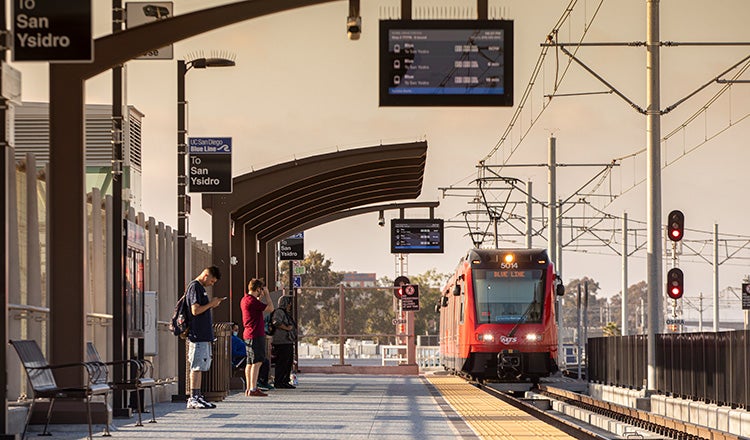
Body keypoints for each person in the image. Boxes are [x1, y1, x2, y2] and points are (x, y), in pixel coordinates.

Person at [185, 265, 226, 409]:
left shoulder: (200, 288)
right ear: (206, 275)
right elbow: (195, 310)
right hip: (197, 335)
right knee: (196, 366)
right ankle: (193, 397)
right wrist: (211, 304)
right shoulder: (195, 287)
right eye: (212, 281)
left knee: (201, 366)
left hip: (203, 335)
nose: (211, 284)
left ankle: (198, 395)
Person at [241, 278, 273, 397]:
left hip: (248, 334)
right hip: (255, 334)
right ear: (258, 289)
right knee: (257, 361)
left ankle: (249, 388)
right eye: (261, 289)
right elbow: (270, 308)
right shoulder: (252, 301)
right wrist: (268, 295)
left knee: (249, 362)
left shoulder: (246, 299)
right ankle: (253, 388)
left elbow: (257, 306)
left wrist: (260, 297)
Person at [271, 295, 297, 389]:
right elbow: (276, 322)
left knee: (288, 362)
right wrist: (286, 328)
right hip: (281, 341)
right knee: (282, 362)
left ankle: (285, 380)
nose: (290, 305)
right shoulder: (279, 312)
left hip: (287, 341)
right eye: (289, 303)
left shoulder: (286, 313)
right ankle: (279, 381)